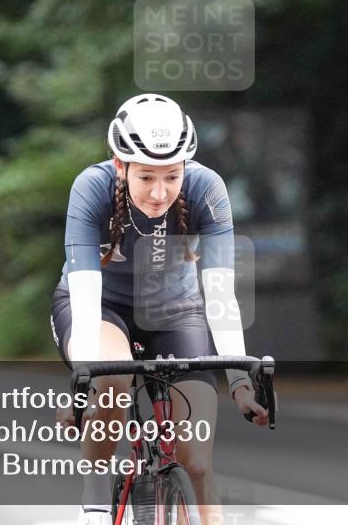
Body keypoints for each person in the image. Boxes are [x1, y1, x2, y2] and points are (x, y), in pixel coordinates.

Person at [51, 93, 269, 525]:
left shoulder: (208, 189)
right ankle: (94, 500)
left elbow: (221, 293)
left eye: (171, 177)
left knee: (198, 463)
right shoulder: (92, 187)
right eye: (146, 176)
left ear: (186, 167)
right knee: (112, 374)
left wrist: (241, 381)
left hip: (175, 312)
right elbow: (86, 287)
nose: (159, 192)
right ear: (120, 165)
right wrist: (84, 379)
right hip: (103, 308)